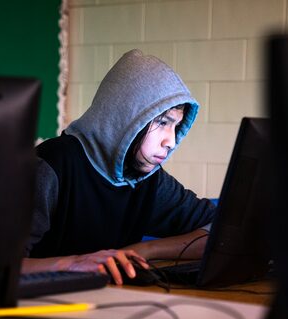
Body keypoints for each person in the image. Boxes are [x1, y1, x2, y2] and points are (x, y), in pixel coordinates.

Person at [22, 49, 216, 284]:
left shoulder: (147, 178)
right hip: (37, 302)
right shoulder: (50, 166)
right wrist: (71, 264)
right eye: (163, 122)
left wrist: (145, 250)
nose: (171, 141)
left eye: (175, 126)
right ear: (127, 117)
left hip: (109, 300)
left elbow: (220, 231)